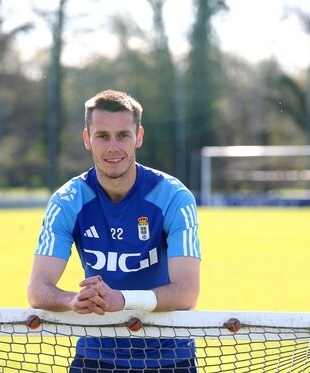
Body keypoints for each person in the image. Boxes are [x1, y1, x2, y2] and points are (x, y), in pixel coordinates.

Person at [27, 89, 201, 372]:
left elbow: (187, 293)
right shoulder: (67, 201)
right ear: (87, 139)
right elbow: (38, 289)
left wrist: (121, 300)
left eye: (123, 135)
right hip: (97, 357)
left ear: (139, 137)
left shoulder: (173, 197)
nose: (113, 147)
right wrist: (71, 300)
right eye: (102, 136)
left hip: (170, 358)